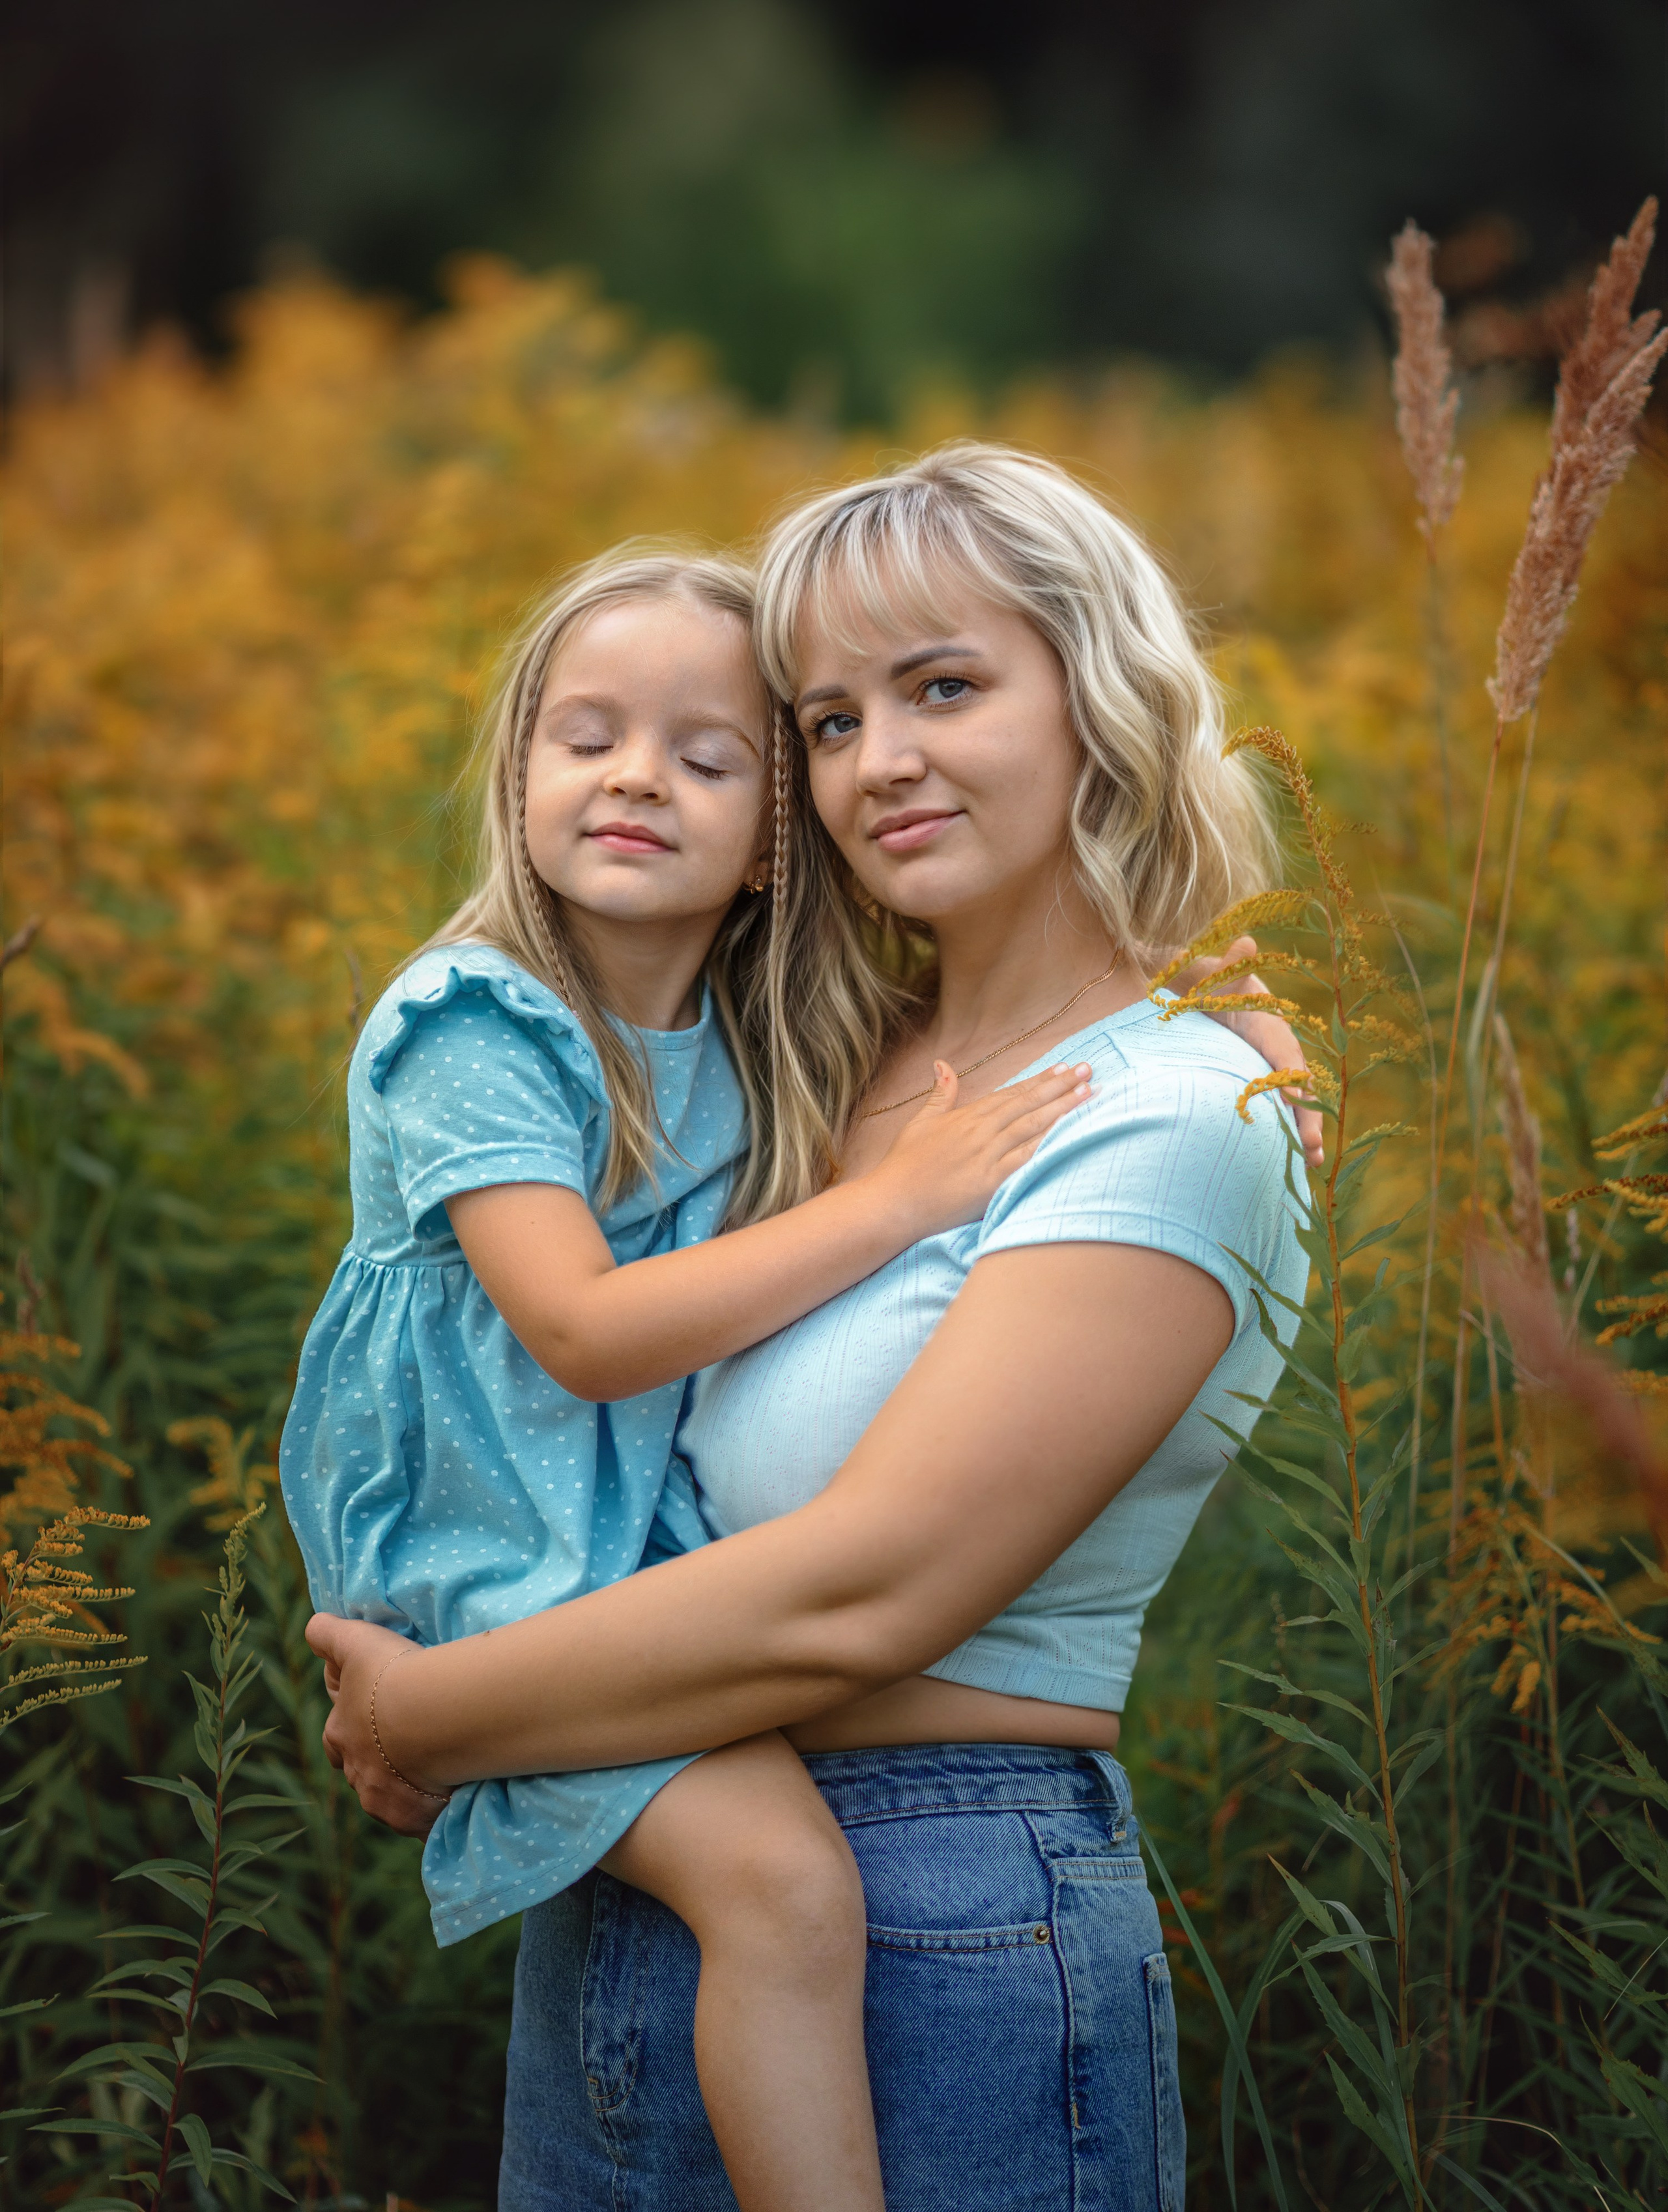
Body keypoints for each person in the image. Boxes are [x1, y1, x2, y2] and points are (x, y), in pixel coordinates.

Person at [308, 447, 1316, 2212]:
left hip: (943, 1911)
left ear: (1105, 694)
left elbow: (867, 1585)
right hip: (633, 1876)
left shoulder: (1165, 1110)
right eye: (831, 721)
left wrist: (437, 1713)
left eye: (944, 686)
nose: (882, 761)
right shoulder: (818, 1070)